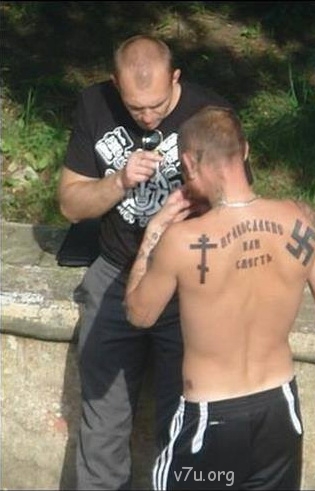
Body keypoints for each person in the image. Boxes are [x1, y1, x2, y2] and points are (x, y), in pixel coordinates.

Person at [125, 106, 315, 490]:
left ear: (189, 162)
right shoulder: (300, 218)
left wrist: (154, 231)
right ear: (245, 150)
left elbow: (139, 314)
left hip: (209, 422)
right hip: (280, 412)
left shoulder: (181, 241)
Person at [58, 35, 242, 490]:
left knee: (182, 418)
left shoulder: (209, 114)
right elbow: (71, 205)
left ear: (176, 78)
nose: (146, 117)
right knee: (101, 419)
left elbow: (236, 208)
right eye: (135, 107)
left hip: (187, 279)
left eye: (157, 105)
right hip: (115, 272)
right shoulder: (95, 105)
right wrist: (119, 181)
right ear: (115, 84)